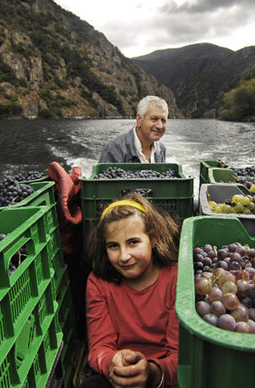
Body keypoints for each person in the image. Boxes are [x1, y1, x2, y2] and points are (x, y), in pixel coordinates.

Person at [81, 193, 180, 388]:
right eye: (113, 246)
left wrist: (153, 373)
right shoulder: (98, 283)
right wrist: (114, 364)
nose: (124, 256)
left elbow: (181, 354)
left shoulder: (174, 277)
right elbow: (99, 346)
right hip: (119, 373)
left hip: (164, 374)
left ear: (152, 239)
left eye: (133, 242)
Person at [99, 95, 169, 163]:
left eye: (163, 120)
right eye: (154, 119)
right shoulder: (114, 149)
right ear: (139, 120)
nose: (160, 126)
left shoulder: (161, 149)